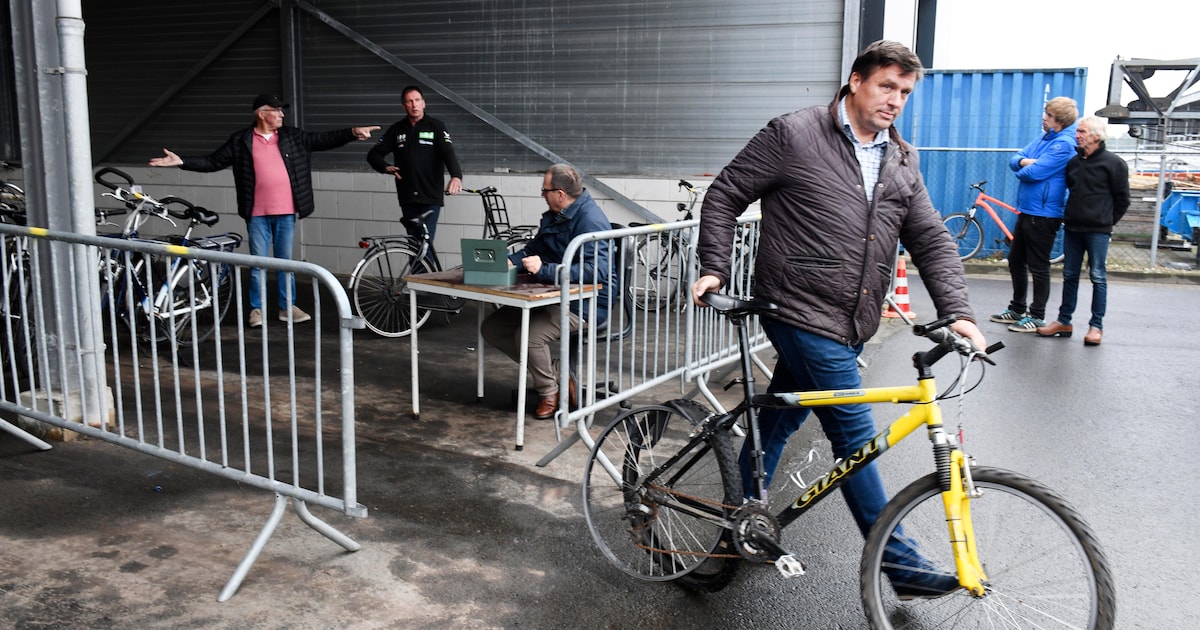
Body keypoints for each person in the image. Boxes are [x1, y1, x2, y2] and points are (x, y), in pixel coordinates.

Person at [690, 40, 986, 600]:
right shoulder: (794, 134)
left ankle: (739, 521)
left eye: (904, 92)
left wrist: (959, 313)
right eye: (886, 87)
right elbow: (726, 192)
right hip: (795, 308)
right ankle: (898, 564)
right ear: (855, 81)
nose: (895, 100)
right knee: (854, 435)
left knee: (777, 421)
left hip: (850, 322)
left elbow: (930, 239)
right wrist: (714, 267)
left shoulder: (901, 158)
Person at [149, 93, 379, 327]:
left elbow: (322, 139)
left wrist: (351, 132)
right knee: (259, 263)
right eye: (276, 110)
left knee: (285, 261)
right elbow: (213, 162)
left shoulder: (291, 137)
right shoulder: (241, 140)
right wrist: (181, 162)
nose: (281, 114)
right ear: (261, 113)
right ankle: (256, 310)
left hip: (286, 211)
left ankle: (287, 307)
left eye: (281, 111)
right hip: (257, 213)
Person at [481, 164, 612, 420]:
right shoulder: (557, 214)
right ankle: (557, 373)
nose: (542, 194)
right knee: (492, 328)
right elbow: (534, 248)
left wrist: (546, 270)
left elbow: (597, 272)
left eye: (545, 190)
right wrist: (512, 260)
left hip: (586, 303)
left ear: (560, 193)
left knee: (529, 336)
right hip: (553, 295)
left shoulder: (590, 220)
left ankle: (549, 391)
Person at [1036, 116, 1130, 346]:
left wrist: (1106, 221)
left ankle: (1096, 326)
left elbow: (1123, 200)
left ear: (1096, 136)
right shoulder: (1074, 163)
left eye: (1082, 131)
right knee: (1069, 276)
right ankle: (1064, 321)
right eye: (1078, 131)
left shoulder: (1114, 164)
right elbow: (1072, 188)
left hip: (1098, 230)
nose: (1077, 135)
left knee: (1097, 276)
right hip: (1073, 228)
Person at [989, 96, 1078, 332]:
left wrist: (1025, 165)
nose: (1043, 118)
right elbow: (1014, 160)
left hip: (1045, 213)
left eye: (1048, 115)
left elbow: (1032, 174)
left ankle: (1037, 315)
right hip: (1028, 210)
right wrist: (1026, 162)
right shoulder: (1044, 138)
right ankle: (1017, 309)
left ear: (1058, 120)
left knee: (1038, 265)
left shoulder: (1064, 144)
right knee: (1016, 261)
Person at [366, 85, 464, 243]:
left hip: (430, 196)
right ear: (404, 105)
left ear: (424, 103)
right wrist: (385, 167)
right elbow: (373, 155)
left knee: (424, 244)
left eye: (417, 100)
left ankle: (427, 269)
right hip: (407, 196)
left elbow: (448, 153)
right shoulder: (397, 129)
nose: (414, 105)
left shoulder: (435, 126)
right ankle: (424, 268)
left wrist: (456, 176)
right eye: (409, 101)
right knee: (413, 244)